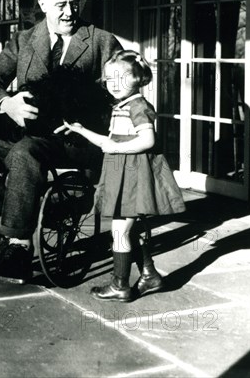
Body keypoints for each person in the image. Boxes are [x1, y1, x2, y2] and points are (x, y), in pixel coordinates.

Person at [0, 0, 122, 283]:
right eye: (60, 5)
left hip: (71, 140)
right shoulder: (24, 40)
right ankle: (13, 235)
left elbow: (121, 92)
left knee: (25, 152)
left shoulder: (101, 41)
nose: (69, 12)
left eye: (73, 3)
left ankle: (18, 245)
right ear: (42, 4)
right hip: (25, 132)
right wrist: (7, 104)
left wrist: (87, 113)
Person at [63, 49, 186, 302]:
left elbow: (148, 140)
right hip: (122, 174)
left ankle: (120, 285)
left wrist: (117, 148)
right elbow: (109, 141)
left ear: (138, 78)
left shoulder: (138, 106)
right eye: (109, 79)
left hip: (133, 176)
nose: (114, 85)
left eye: (121, 78)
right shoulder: (122, 106)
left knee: (120, 230)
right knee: (127, 229)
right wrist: (81, 130)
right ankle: (150, 275)